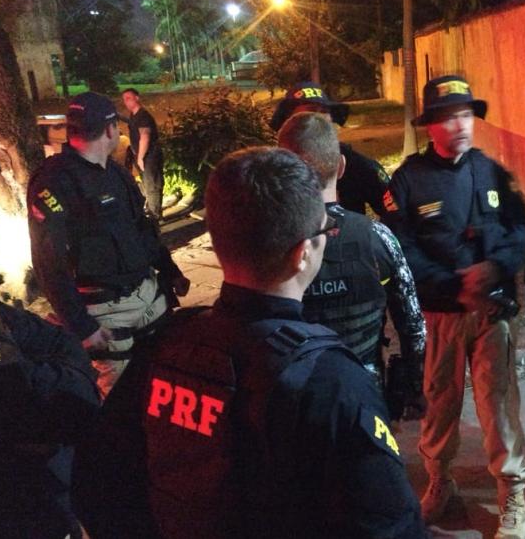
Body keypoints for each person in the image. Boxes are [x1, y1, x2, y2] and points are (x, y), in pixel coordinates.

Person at [72, 147, 425, 538]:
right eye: (324, 231)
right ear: (303, 254)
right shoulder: (331, 381)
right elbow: (391, 526)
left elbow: (97, 485)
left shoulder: (167, 344)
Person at [383, 75, 525, 538]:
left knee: (498, 402)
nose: (460, 125)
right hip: (441, 313)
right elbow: (400, 250)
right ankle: (440, 481)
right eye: (449, 118)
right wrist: (453, 285)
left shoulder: (490, 171)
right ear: (430, 126)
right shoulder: (408, 180)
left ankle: (512, 491)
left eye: (466, 115)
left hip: (491, 311)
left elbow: (519, 230)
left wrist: (496, 267)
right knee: (439, 401)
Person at [27, 92, 190, 398]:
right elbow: (48, 262)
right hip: (106, 312)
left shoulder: (116, 173)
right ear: (110, 129)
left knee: (165, 386)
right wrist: (82, 326)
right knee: (118, 400)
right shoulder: (53, 182)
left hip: (148, 296)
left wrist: (171, 271)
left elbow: (142, 230)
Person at [278, 112, 426, 420]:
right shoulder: (377, 237)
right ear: (342, 166)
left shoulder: (268, 242)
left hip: (292, 402)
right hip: (364, 397)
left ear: (284, 168)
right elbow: (413, 326)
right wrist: (413, 383)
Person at [0, 293, 100, 538]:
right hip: (14, 492)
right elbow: (26, 392)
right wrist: (76, 381)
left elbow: (51, 338)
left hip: (46, 470)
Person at [270, 81, 390, 216]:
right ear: (289, 121)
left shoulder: (357, 165)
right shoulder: (271, 173)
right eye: (310, 111)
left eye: (324, 112)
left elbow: (396, 214)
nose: (318, 118)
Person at [122, 88, 164, 221]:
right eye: (124, 99)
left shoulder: (143, 116)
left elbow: (145, 137)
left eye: (129, 98)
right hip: (141, 155)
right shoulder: (133, 116)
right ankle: (151, 211)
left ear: (137, 98)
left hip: (149, 155)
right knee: (146, 183)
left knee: (152, 184)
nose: (126, 102)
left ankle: (154, 216)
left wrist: (140, 157)